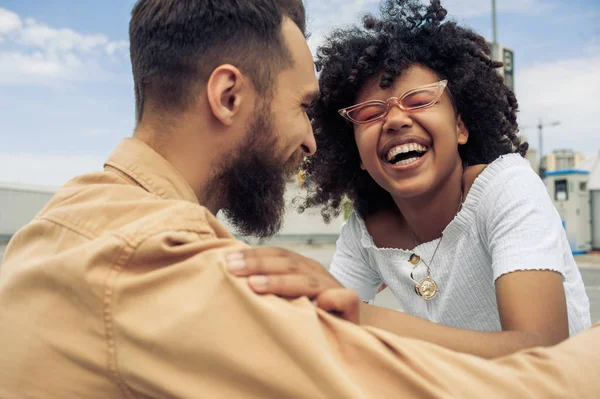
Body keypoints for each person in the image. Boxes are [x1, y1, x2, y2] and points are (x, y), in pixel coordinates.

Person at [0, 0, 599, 398]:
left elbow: (340, 319)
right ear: (229, 96)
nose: (313, 142)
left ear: (463, 122)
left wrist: (347, 310)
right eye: (308, 110)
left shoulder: (69, 220)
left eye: (419, 101)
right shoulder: (158, 261)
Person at [233, 0, 591, 359]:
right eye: (370, 113)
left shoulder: (506, 187)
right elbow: (322, 333)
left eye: (419, 101)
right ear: (354, 152)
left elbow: (540, 351)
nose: (395, 120)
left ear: (461, 126)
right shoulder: (364, 234)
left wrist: (360, 316)